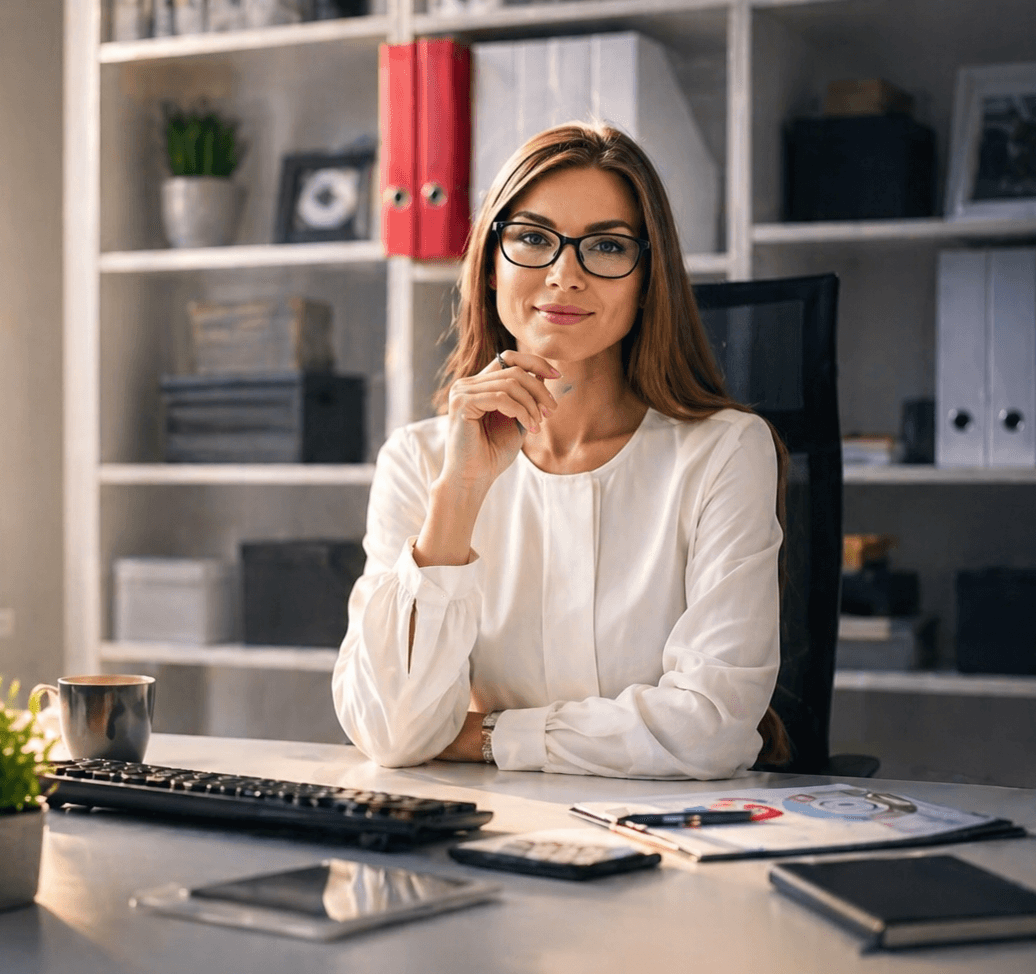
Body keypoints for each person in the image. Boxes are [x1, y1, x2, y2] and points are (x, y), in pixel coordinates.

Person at [331, 122, 789, 778]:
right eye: (532, 238)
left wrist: (482, 735)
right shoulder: (419, 460)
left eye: (606, 246)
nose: (563, 274)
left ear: (647, 278)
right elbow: (391, 733)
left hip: (667, 825)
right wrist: (459, 495)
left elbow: (707, 729)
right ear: (490, 265)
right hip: (488, 824)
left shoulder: (723, 453)